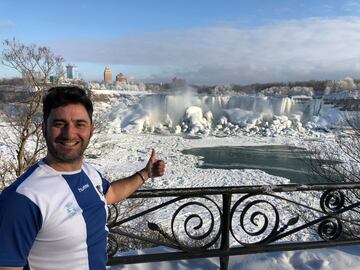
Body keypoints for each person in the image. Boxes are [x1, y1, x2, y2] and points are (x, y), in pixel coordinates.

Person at [0, 86, 165, 270]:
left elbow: (110, 193)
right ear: (44, 129)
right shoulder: (23, 198)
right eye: (59, 124)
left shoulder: (88, 172)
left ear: (91, 130)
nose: (69, 134)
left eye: (80, 124)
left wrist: (145, 174)